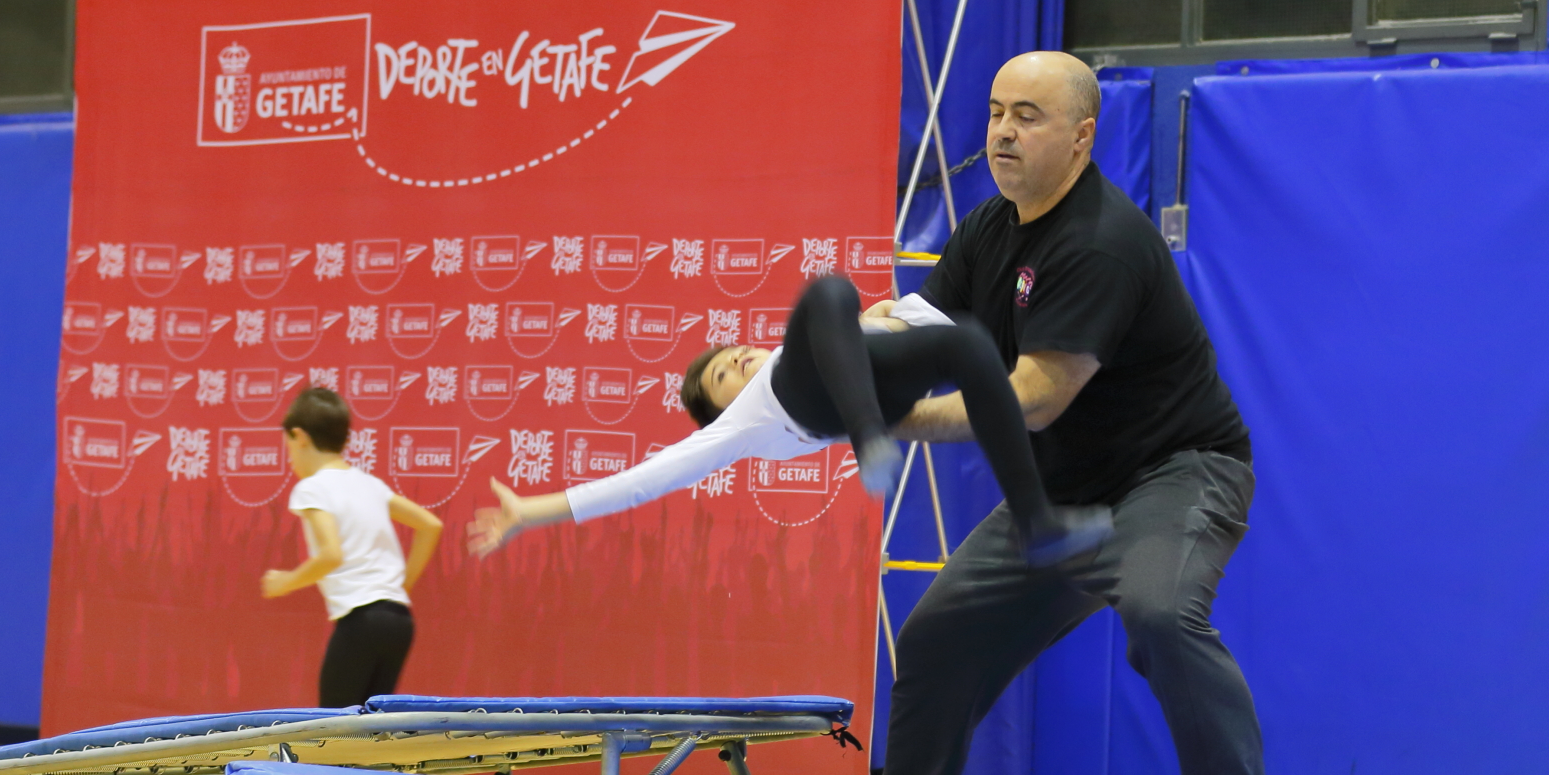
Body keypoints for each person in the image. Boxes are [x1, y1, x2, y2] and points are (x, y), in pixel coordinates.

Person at [872, 51, 1278, 775]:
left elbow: (1033, 399)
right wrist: (853, 345)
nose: (1003, 132)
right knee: (936, 641)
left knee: (1160, 615)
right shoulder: (987, 229)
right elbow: (918, 328)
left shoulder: (1100, 241)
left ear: (1082, 137)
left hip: (1174, 476)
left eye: (1028, 117)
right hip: (1065, 492)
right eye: (996, 112)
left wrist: (901, 420)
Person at [466, 274, 1112, 560]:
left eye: (730, 354)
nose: (735, 360)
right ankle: (868, 438)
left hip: (874, 385)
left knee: (967, 343)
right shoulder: (741, 423)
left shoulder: (826, 343)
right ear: (721, 410)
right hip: (813, 404)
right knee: (827, 291)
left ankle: (1035, 520)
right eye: (722, 377)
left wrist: (891, 319)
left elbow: (908, 328)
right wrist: (530, 512)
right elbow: (642, 481)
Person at [261, 386, 445, 708]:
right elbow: (430, 525)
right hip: (399, 620)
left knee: (334, 727)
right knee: (370, 725)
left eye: (288, 447)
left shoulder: (312, 488)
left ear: (300, 437)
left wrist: (285, 582)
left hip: (361, 622)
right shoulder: (370, 484)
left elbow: (331, 554)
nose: (290, 458)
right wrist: (399, 588)